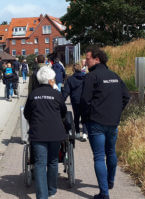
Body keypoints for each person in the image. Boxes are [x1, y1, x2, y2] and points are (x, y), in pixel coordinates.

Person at [80, 47, 130, 199]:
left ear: (97, 59)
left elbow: (84, 100)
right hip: (113, 122)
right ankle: (110, 182)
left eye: (88, 59)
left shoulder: (91, 76)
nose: (86, 62)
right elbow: (126, 96)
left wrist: (86, 118)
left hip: (96, 122)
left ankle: (104, 193)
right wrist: (116, 112)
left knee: (99, 156)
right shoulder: (115, 76)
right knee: (111, 152)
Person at [24, 66, 67, 199]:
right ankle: (52, 190)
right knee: (53, 161)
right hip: (55, 133)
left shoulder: (33, 94)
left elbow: (27, 113)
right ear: (51, 79)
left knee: (40, 163)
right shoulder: (57, 94)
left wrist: (34, 121)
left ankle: (42, 196)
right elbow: (64, 112)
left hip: (38, 133)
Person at [62, 63, 87, 141]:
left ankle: (77, 133)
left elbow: (66, 91)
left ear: (73, 69)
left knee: (76, 116)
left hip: (75, 100)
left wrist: (61, 100)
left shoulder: (70, 79)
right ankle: (85, 134)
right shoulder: (86, 78)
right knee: (84, 116)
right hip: (85, 100)